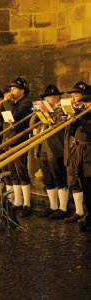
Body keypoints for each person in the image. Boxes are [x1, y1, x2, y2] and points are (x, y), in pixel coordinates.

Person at [33, 85, 69, 219]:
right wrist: (37, 113)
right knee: (48, 180)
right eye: (47, 98)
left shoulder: (62, 110)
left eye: (52, 97)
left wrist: (50, 115)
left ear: (58, 98)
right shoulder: (44, 112)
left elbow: (61, 126)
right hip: (43, 149)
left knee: (60, 178)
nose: (49, 100)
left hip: (56, 149)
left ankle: (63, 208)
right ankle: (53, 206)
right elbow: (34, 125)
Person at [2, 77, 33, 217]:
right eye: (11, 89)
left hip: (19, 140)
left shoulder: (26, 103)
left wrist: (8, 102)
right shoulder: (13, 102)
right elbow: (0, 116)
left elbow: (13, 117)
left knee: (21, 172)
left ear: (22, 90)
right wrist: (5, 102)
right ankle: (17, 202)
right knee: (14, 173)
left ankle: (27, 204)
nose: (12, 91)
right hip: (9, 140)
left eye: (14, 89)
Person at [63, 81, 89, 223]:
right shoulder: (74, 112)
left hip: (85, 151)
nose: (73, 99)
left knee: (86, 183)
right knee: (73, 180)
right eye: (72, 96)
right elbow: (69, 132)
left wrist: (80, 117)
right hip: (73, 149)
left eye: (76, 96)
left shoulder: (85, 114)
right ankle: (79, 211)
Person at [75, 87, 91, 232]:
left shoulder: (87, 117)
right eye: (85, 103)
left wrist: (84, 118)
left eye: (88, 102)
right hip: (83, 155)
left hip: (89, 155)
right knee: (86, 187)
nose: (86, 105)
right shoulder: (85, 115)